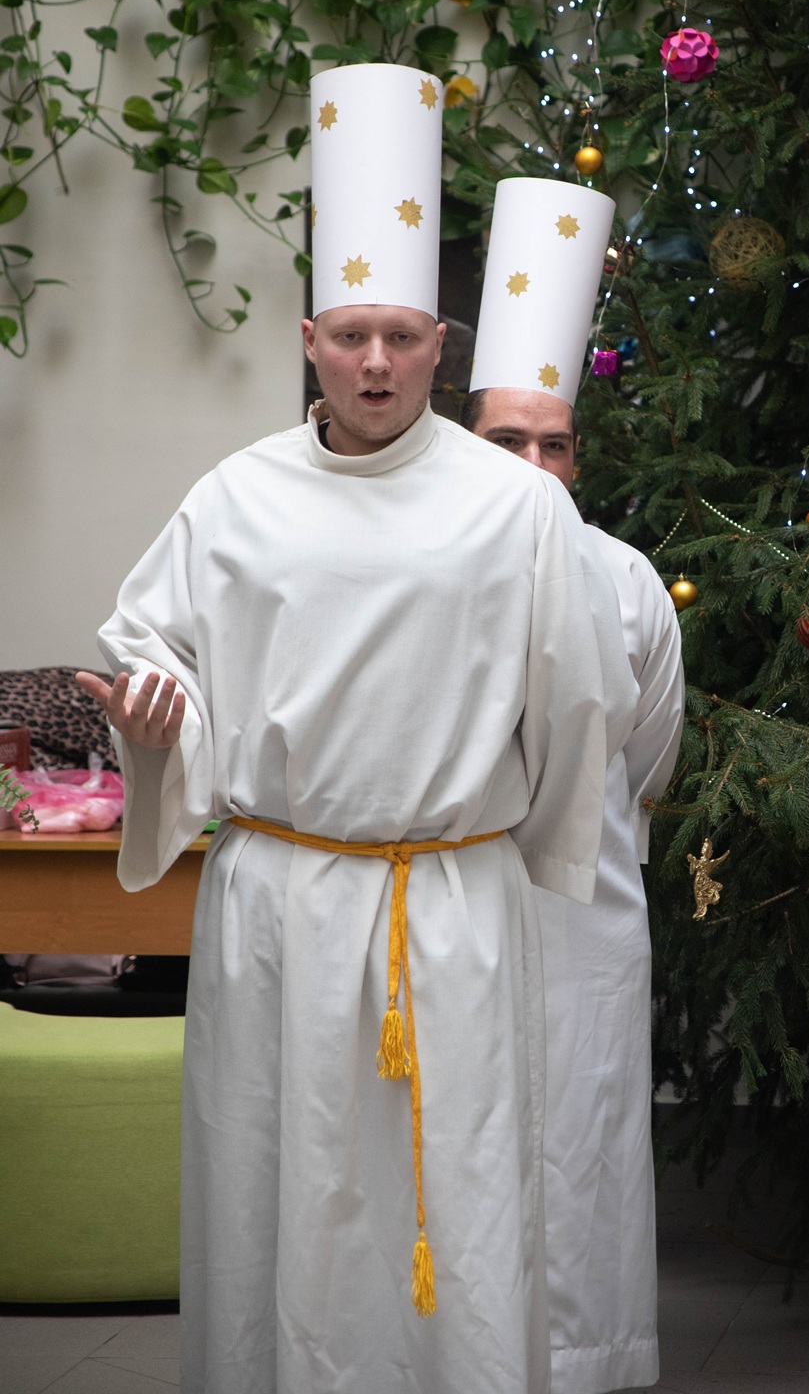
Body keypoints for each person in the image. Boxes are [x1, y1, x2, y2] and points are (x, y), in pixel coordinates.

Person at [77, 67, 636, 1394]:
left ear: (441, 343)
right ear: (309, 340)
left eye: (398, 335)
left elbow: (578, 700)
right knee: (273, 1187)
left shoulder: (516, 509)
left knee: (457, 1195)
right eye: (348, 335)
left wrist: (522, 860)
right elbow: (153, 651)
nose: (374, 363)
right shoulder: (234, 497)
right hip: (275, 912)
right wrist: (161, 721)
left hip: (449, 912)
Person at [463, 173, 685, 1394]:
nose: (537, 467)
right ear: (465, 442)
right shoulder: (417, 573)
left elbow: (647, 759)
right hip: (447, 926)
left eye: (556, 444)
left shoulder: (631, 582)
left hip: (587, 927)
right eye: (510, 442)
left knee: (580, 1155)